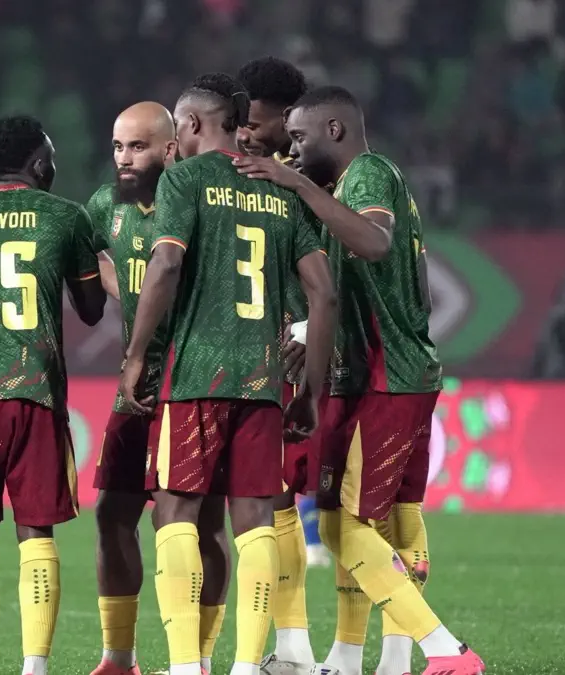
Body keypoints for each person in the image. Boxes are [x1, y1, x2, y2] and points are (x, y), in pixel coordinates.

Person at [236, 85, 485, 675]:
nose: (292, 151)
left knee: (343, 525)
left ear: (335, 131)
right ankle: (364, 659)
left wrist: (293, 183)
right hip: (393, 369)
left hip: (386, 378)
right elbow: (412, 284)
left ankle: (446, 652)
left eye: (299, 138)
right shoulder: (343, 194)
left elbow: (375, 243)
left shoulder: (368, 174)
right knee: (393, 515)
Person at [118, 73, 336, 675]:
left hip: (195, 376)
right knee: (256, 522)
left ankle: (187, 665)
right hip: (263, 381)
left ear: (189, 125)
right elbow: (324, 295)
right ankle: (246, 666)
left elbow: (164, 265)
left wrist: (137, 355)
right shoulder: (279, 189)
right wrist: (311, 390)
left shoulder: (184, 179)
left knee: (175, 513)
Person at [0, 115, 105, 675]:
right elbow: (90, 308)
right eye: (51, 156)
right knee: (36, 532)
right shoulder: (66, 216)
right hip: (36, 390)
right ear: (39, 163)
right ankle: (34, 667)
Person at [84, 101, 232, 675]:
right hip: (138, 388)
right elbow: (80, 258)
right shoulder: (105, 205)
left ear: (171, 148)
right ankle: (118, 658)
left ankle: (198, 655)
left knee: (205, 523)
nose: (124, 159)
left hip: (197, 382)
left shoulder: (197, 200)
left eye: (138, 146)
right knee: (112, 512)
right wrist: (125, 292)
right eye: (118, 146)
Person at [235, 56, 328, 675]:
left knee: (279, 501)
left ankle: (325, 654)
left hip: (305, 356)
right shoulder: (252, 174)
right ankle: (295, 651)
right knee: (275, 501)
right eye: (242, 122)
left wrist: (305, 332)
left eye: (258, 124)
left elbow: (336, 273)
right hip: (266, 354)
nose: (246, 133)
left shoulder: (305, 179)